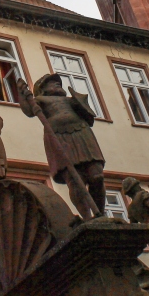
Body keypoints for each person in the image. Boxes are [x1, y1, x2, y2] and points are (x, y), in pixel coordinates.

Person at [18, 74, 105, 217]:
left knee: (97, 175)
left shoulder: (71, 99)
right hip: (59, 138)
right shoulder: (40, 99)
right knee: (75, 180)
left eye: (57, 82)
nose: (57, 84)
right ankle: (87, 217)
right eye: (51, 83)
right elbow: (29, 111)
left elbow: (89, 116)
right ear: (43, 89)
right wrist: (22, 95)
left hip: (82, 134)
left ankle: (100, 214)